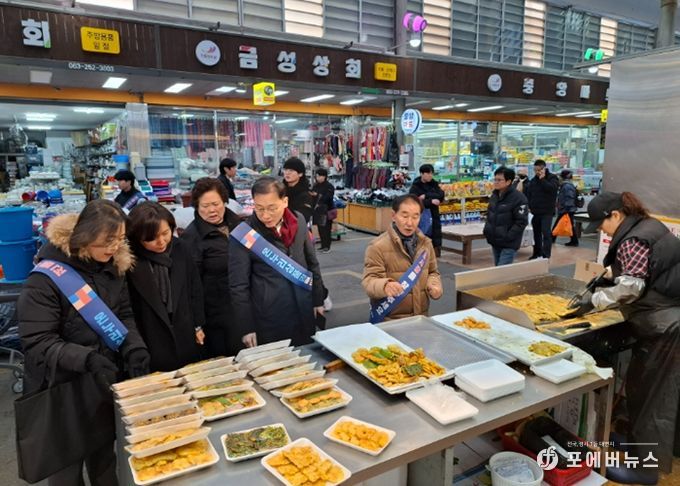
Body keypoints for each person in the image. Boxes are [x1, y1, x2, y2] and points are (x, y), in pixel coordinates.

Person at [17, 200, 149, 486]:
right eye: (108, 240)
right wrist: (85, 358)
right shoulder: (46, 279)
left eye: (120, 239)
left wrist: (133, 346)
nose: (115, 247)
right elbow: (38, 341)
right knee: (66, 471)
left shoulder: (114, 267)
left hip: (101, 381)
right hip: (60, 388)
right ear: (85, 235)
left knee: (105, 461)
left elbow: (123, 315)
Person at [573, 191, 680, 484]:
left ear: (616, 215)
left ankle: (645, 469)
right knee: (655, 390)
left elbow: (631, 288)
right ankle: (640, 445)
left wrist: (594, 300)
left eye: (602, 224)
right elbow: (648, 271)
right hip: (668, 320)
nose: (602, 231)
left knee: (650, 397)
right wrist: (610, 276)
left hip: (666, 327)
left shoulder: (633, 239)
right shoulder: (647, 225)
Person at [230, 176, 325, 347]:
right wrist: (246, 327)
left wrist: (318, 300)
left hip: (303, 308)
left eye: (272, 208)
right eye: (259, 208)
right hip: (270, 317)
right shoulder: (245, 234)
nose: (265, 215)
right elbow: (238, 286)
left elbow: (312, 262)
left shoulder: (299, 221)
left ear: (285, 201)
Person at [127, 203, 206, 372]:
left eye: (165, 233)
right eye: (151, 238)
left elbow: (194, 288)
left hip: (184, 330)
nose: (161, 242)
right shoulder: (129, 260)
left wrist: (198, 325)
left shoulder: (180, 248)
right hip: (150, 337)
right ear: (137, 237)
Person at [181, 178, 241, 356]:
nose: (212, 210)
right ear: (196, 207)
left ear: (224, 201)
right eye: (205, 206)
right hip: (215, 316)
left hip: (245, 308)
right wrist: (197, 323)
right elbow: (191, 286)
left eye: (216, 204)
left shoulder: (239, 225)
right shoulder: (191, 238)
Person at [362, 194, 442, 320]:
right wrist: (384, 286)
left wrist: (434, 284)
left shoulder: (426, 244)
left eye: (415, 217)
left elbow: (433, 272)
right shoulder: (377, 246)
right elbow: (369, 281)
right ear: (393, 216)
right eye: (404, 216)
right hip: (389, 320)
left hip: (421, 318)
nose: (410, 223)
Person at [483, 167, 529, 266]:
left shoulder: (519, 198)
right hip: (495, 240)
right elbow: (490, 214)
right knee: (498, 268)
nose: (496, 182)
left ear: (508, 182)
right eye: (495, 179)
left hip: (509, 244)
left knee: (502, 270)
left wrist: (508, 236)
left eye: (499, 180)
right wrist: (487, 230)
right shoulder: (494, 196)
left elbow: (521, 222)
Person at [409, 164, 446, 257]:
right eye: (428, 173)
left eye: (431, 173)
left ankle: (434, 253)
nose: (430, 175)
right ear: (422, 174)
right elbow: (414, 201)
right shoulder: (416, 186)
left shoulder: (434, 184)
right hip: (421, 215)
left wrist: (426, 196)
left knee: (434, 235)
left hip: (434, 214)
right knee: (422, 235)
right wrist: (431, 201)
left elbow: (440, 195)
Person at [526, 159, 559, 259]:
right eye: (535, 170)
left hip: (547, 211)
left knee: (546, 232)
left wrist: (543, 179)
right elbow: (529, 193)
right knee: (536, 233)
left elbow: (551, 189)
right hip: (535, 211)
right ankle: (537, 253)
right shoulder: (533, 180)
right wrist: (529, 206)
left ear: (544, 168)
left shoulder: (552, 178)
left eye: (539, 170)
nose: (537, 172)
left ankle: (546, 255)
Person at [282, 157, 314, 223]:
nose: (287, 173)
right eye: (285, 170)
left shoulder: (305, 195)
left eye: (291, 170)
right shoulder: (280, 190)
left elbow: (303, 218)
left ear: (300, 174)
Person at [552, 169, 579, 247]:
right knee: (569, 225)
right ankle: (574, 241)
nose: (559, 178)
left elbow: (569, 198)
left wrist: (566, 209)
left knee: (559, 224)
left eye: (560, 176)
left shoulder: (567, 186)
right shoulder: (567, 185)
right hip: (567, 209)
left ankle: (552, 238)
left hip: (566, 209)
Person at [311, 168, 335, 254]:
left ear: (324, 176)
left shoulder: (329, 186)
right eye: (317, 176)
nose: (317, 178)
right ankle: (323, 245)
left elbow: (328, 198)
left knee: (327, 229)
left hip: (327, 210)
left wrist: (317, 195)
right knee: (320, 228)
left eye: (319, 176)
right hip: (318, 210)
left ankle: (327, 246)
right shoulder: (316, 186)